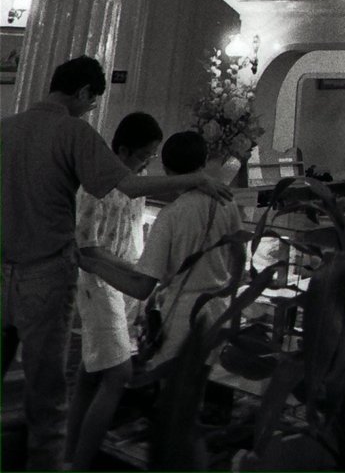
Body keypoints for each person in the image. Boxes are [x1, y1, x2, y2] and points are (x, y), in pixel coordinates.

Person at [0, 56, 231, 472]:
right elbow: (128, 184)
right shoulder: (73, 131)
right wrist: (194, 179)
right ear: (84, 92)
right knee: (46, 396)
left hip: (3, 269)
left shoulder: (6, 127)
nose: (90, 110)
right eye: (91, 102)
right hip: (46, 274)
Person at [79, 130, 242, 372]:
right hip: (219, 309)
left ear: (166, 170)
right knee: (202, 388)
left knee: (173, 393)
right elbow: (239, 255)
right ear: (204, 162)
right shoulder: (227, 203)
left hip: (182, 315)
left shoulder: (171, 216)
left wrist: (92, 264)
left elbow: (141, 287)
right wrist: (231, 291)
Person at [65, 111, 164, 471]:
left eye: (151, 158)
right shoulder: (96, 185)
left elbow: (132, 235)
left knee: (91, 375)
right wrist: (137, 270)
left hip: (121, 285)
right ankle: (81, 461)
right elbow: (87, 247)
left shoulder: (134, 185)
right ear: (122, 150)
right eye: (143, 157)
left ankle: (69, 455)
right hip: (98, 283)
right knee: (117, 375)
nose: (146, 165)